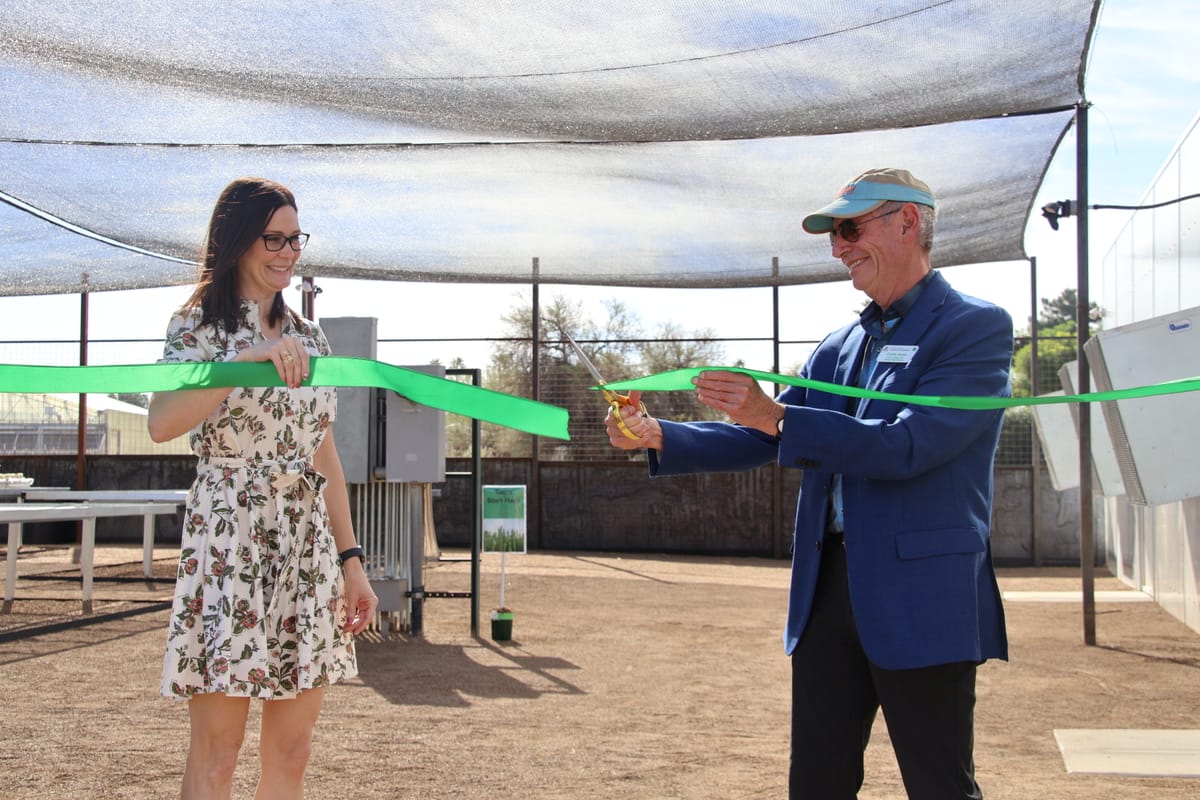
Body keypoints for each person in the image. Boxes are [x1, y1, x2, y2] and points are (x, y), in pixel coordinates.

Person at [606, 168, 1011, 799]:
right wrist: (660, 434)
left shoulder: (972, 328)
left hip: (923, 597)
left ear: (907, 222)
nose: (838, 246)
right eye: (833, 233)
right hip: (826, 596)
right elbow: (765, 434)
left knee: (940, 786)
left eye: (850, 227)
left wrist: (775, 415)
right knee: (816, 782)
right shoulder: (839, 345)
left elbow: (907, 446)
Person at [148, 176, 378, 798]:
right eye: (272, 238)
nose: (286, 251)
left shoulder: (312, 338)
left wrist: (352, 562)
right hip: (229, 542)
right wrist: (243, 360)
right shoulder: (196, 327)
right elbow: (161, 423)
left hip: (305, 551)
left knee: (294, 751)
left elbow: (321, 452)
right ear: (238, 241)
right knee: (217, 753)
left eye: (294, 238)